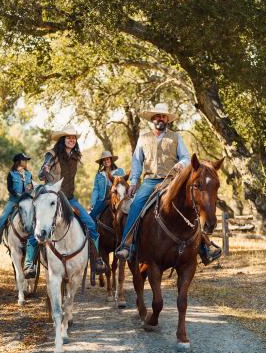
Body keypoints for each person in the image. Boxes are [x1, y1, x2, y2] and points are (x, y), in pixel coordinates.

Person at [115, 103, 221, 265]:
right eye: (157, 116)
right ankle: (127, 244)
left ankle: (204, 247)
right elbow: (137, 162)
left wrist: (181, 164)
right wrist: (134, 182)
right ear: (152, 119)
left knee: (190, 207)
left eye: (163, 116)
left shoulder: (175, 137)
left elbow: (186, 157)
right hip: (150, 181)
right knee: (136, 205)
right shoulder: (143, 138)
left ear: (167, 120)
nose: (160, 119)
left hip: (172, 181)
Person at [23, 124, 108, 279]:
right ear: (63, 140)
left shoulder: (75, 156)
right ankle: (29, 263)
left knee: (90, 224)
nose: (71, 140)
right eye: (68, 137)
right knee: (37, 226)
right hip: (52, 196)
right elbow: (42, 172)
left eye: (73, 138)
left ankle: (97, 260)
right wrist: (45, 170)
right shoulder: (52, 154)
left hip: (69, 198)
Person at [0, 152, 35, 251]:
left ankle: (39, 240)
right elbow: (9, 188)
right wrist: (17, 194)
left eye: (26, 160)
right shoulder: (11, 174)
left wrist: (30, 188)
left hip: (27, 200)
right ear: (18, 162)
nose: (26, 162)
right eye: (24, 160)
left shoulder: (29, 174)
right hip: (14, 200)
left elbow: (31, 187)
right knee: (3, 217)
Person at [89, 150, 125, 220]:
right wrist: (93, 202)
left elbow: (123, 184)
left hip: (116, 197)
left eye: (107, 159)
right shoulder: (99, 175)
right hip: (102, 199)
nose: (106, 161)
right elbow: (96, 189)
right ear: (102, 162)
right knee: (91, 216)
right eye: (104, 160)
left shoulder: (119, 171)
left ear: (111, 160)